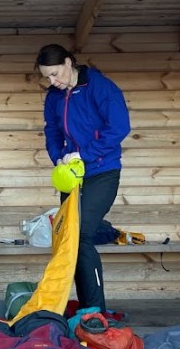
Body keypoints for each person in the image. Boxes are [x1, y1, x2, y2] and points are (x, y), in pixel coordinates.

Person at [35, 43, 130, 313]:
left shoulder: (100, 87)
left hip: (102, 171)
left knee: (82, 235)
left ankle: (95, 312)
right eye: (47, 77)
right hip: (72, 176)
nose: (52, 81)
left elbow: (119, 128)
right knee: (69, 238)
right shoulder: (54, 96)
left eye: (55, 74)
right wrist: (58, 157)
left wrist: (84, 154)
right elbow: (52, 131)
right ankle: (85, 310)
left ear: (68, 62)